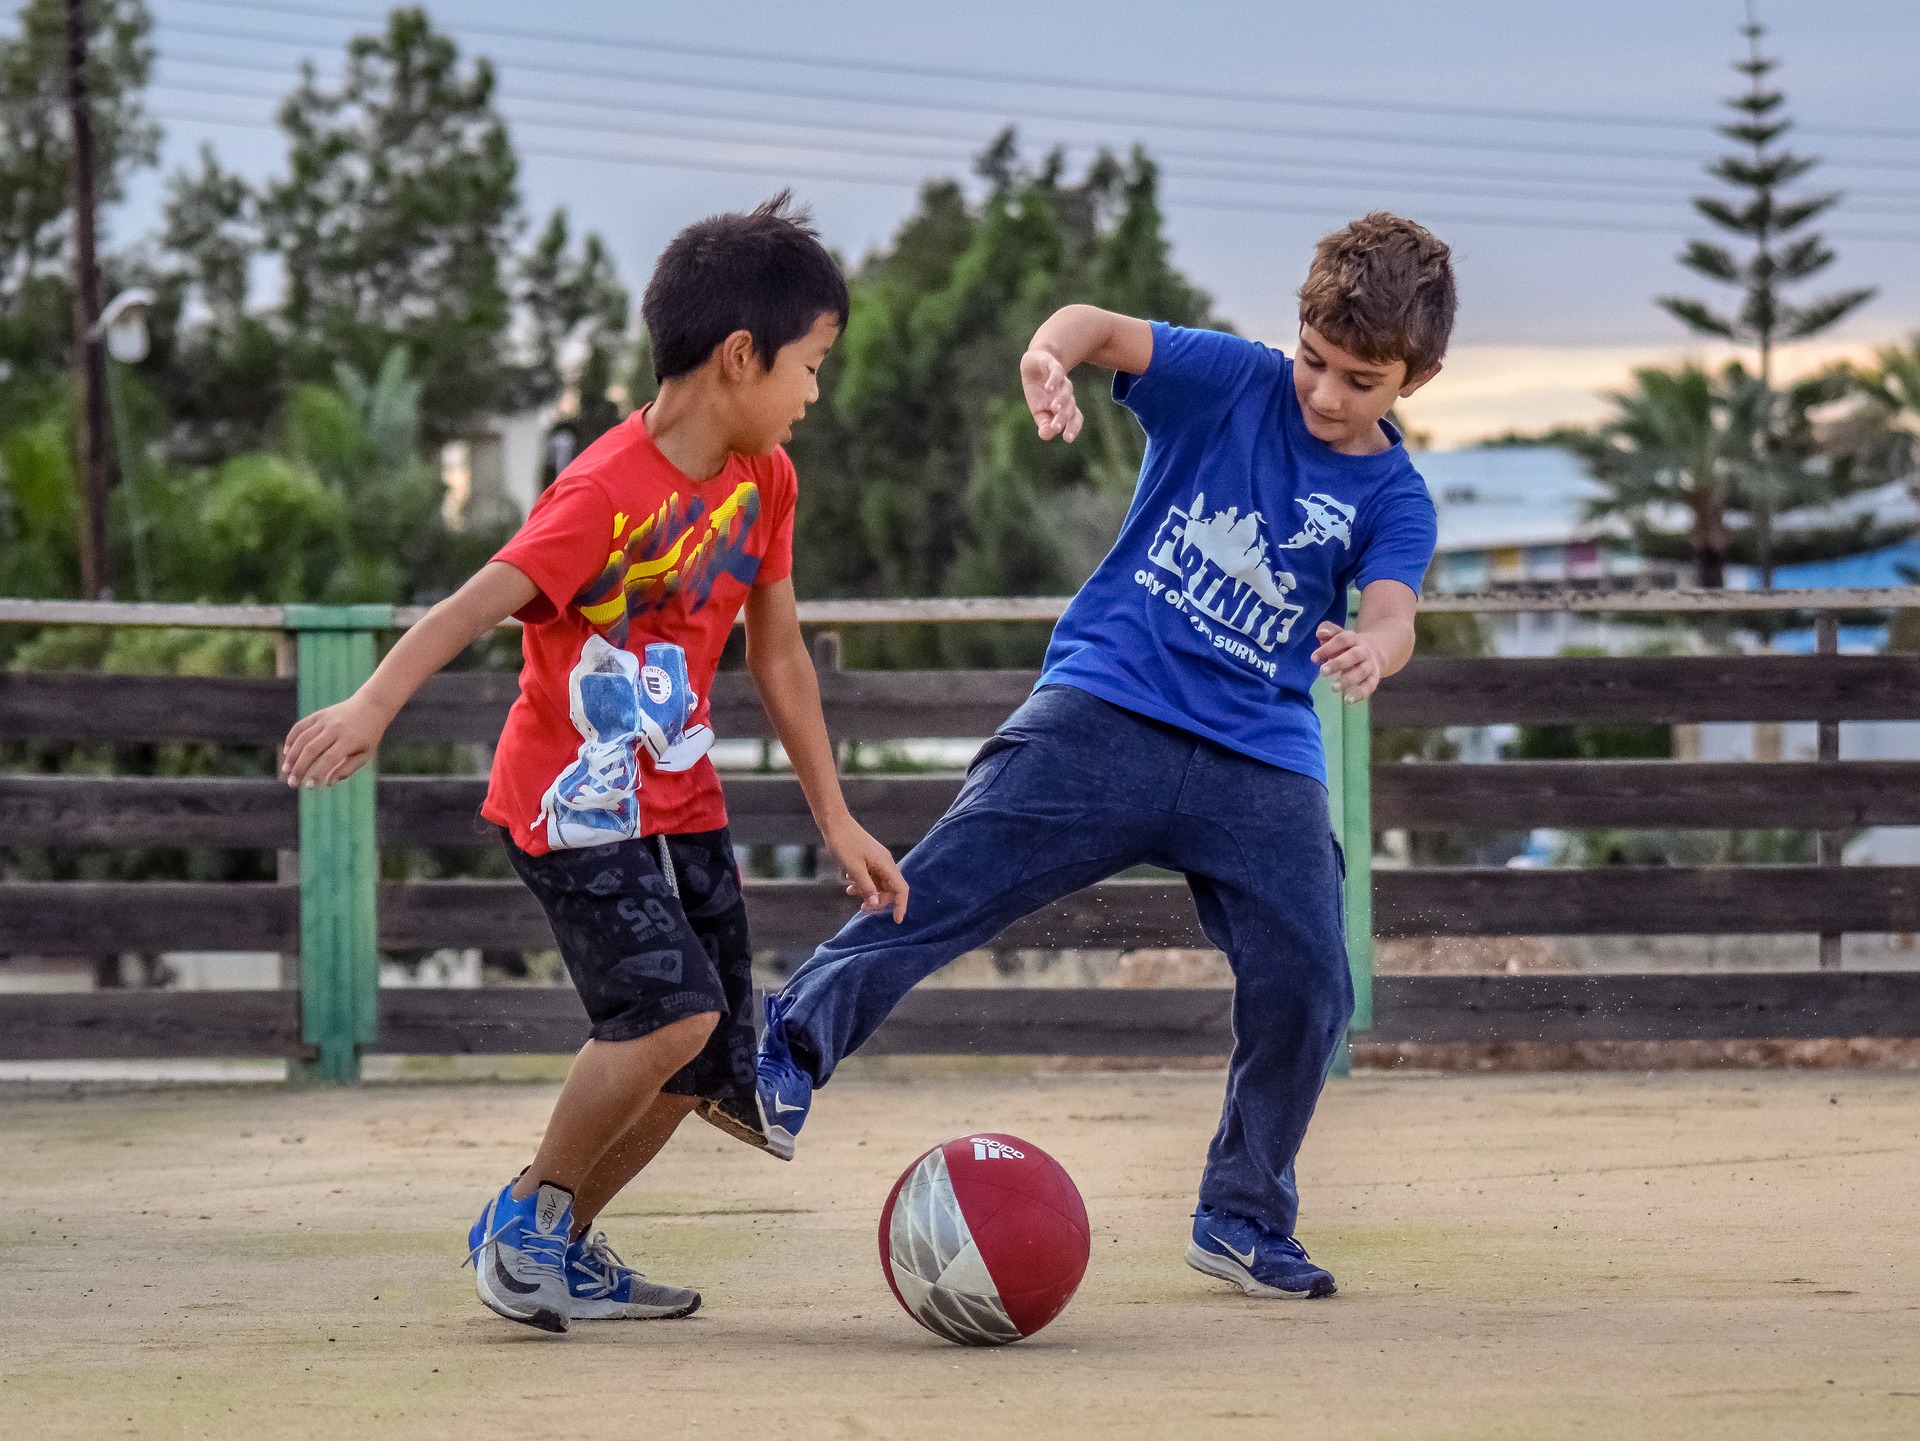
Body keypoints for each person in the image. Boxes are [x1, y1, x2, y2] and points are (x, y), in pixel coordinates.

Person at [752, 212, 1452, 1301]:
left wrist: (1376, 645)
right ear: (1296, 334)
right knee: (942, 883)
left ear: (1416, 376)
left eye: (1361, 381)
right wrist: (1047, 353)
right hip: (1108, 703)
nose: (1324, 394)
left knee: (1312, 977)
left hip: (1257, 754)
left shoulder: (1395, 494)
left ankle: (1243, 1212)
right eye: (1316, 361)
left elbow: (1398, 604)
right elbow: (1098, 327)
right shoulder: (1232, 380)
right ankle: (789, 1046)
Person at [279, 195, 907, 1334]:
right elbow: (478, 601)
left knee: (710, 1052)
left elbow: (778, 653)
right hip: (571, 803)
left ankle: (554, 1243)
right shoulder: (602, 492)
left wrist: (837, 815)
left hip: (682, 799)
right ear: (738, 356)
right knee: (665, 1013)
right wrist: (374, 702)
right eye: (811, 366)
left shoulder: (765, 482)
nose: (815, 393)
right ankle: (524, 1221)